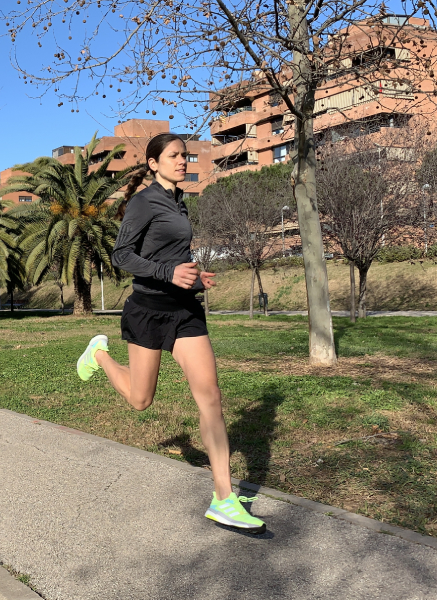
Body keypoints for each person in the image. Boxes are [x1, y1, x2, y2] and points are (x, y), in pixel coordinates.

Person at [76, 133, 265, 534]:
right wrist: (167, 273)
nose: (182, 161)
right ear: (154, 163)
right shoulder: (144, 202)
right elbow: (121, 255)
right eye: (174, 156)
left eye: (185, 155)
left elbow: (173, 258)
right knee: (140, 400)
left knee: (210, 396)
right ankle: (99, 354)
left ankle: (223, 498)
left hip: (184, 311)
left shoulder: (180, 202)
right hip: (148, 311)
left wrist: (194, 278)